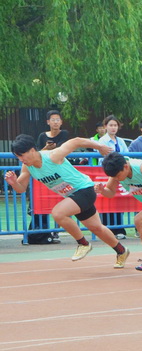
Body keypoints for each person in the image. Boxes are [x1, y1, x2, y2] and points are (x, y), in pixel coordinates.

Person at [4, 134, 130, 267]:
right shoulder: (27, 167)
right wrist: (13, 183)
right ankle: (121, 251)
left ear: (32, 150)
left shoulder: (53, 156)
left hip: (85, 189)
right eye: (17, 156)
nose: (21, 159)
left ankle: (83, 244)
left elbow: (76, 141)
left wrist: (99, 146)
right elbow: (21, 188)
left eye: (22, 155)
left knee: (58, 213)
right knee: (97, 228)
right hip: (73, 195)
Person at [32, 110, 70, 243]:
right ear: (48, 122)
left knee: (61, 200)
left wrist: (53, 149)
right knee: (43, 202)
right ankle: (43, 231)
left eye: (57, 119)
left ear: (61, 122)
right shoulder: (42, 136)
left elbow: (63, 150)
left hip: (60, 171)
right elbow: (38, 153)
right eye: (53, 120)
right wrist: (46, 148)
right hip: (45, 173)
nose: (55, 122)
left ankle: (56, 231)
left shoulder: (64, 134)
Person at [97, 114, 128, 238]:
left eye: (115, 125)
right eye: (111, 125)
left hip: (120, 173)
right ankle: (108, 230)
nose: (113, 128)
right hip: (107, 172)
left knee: (118, 200)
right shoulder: (102, 141)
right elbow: (102, 158)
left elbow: (127, 155)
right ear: (105, 126)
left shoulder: (121, 141)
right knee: (107, 201)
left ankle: (119, 229)